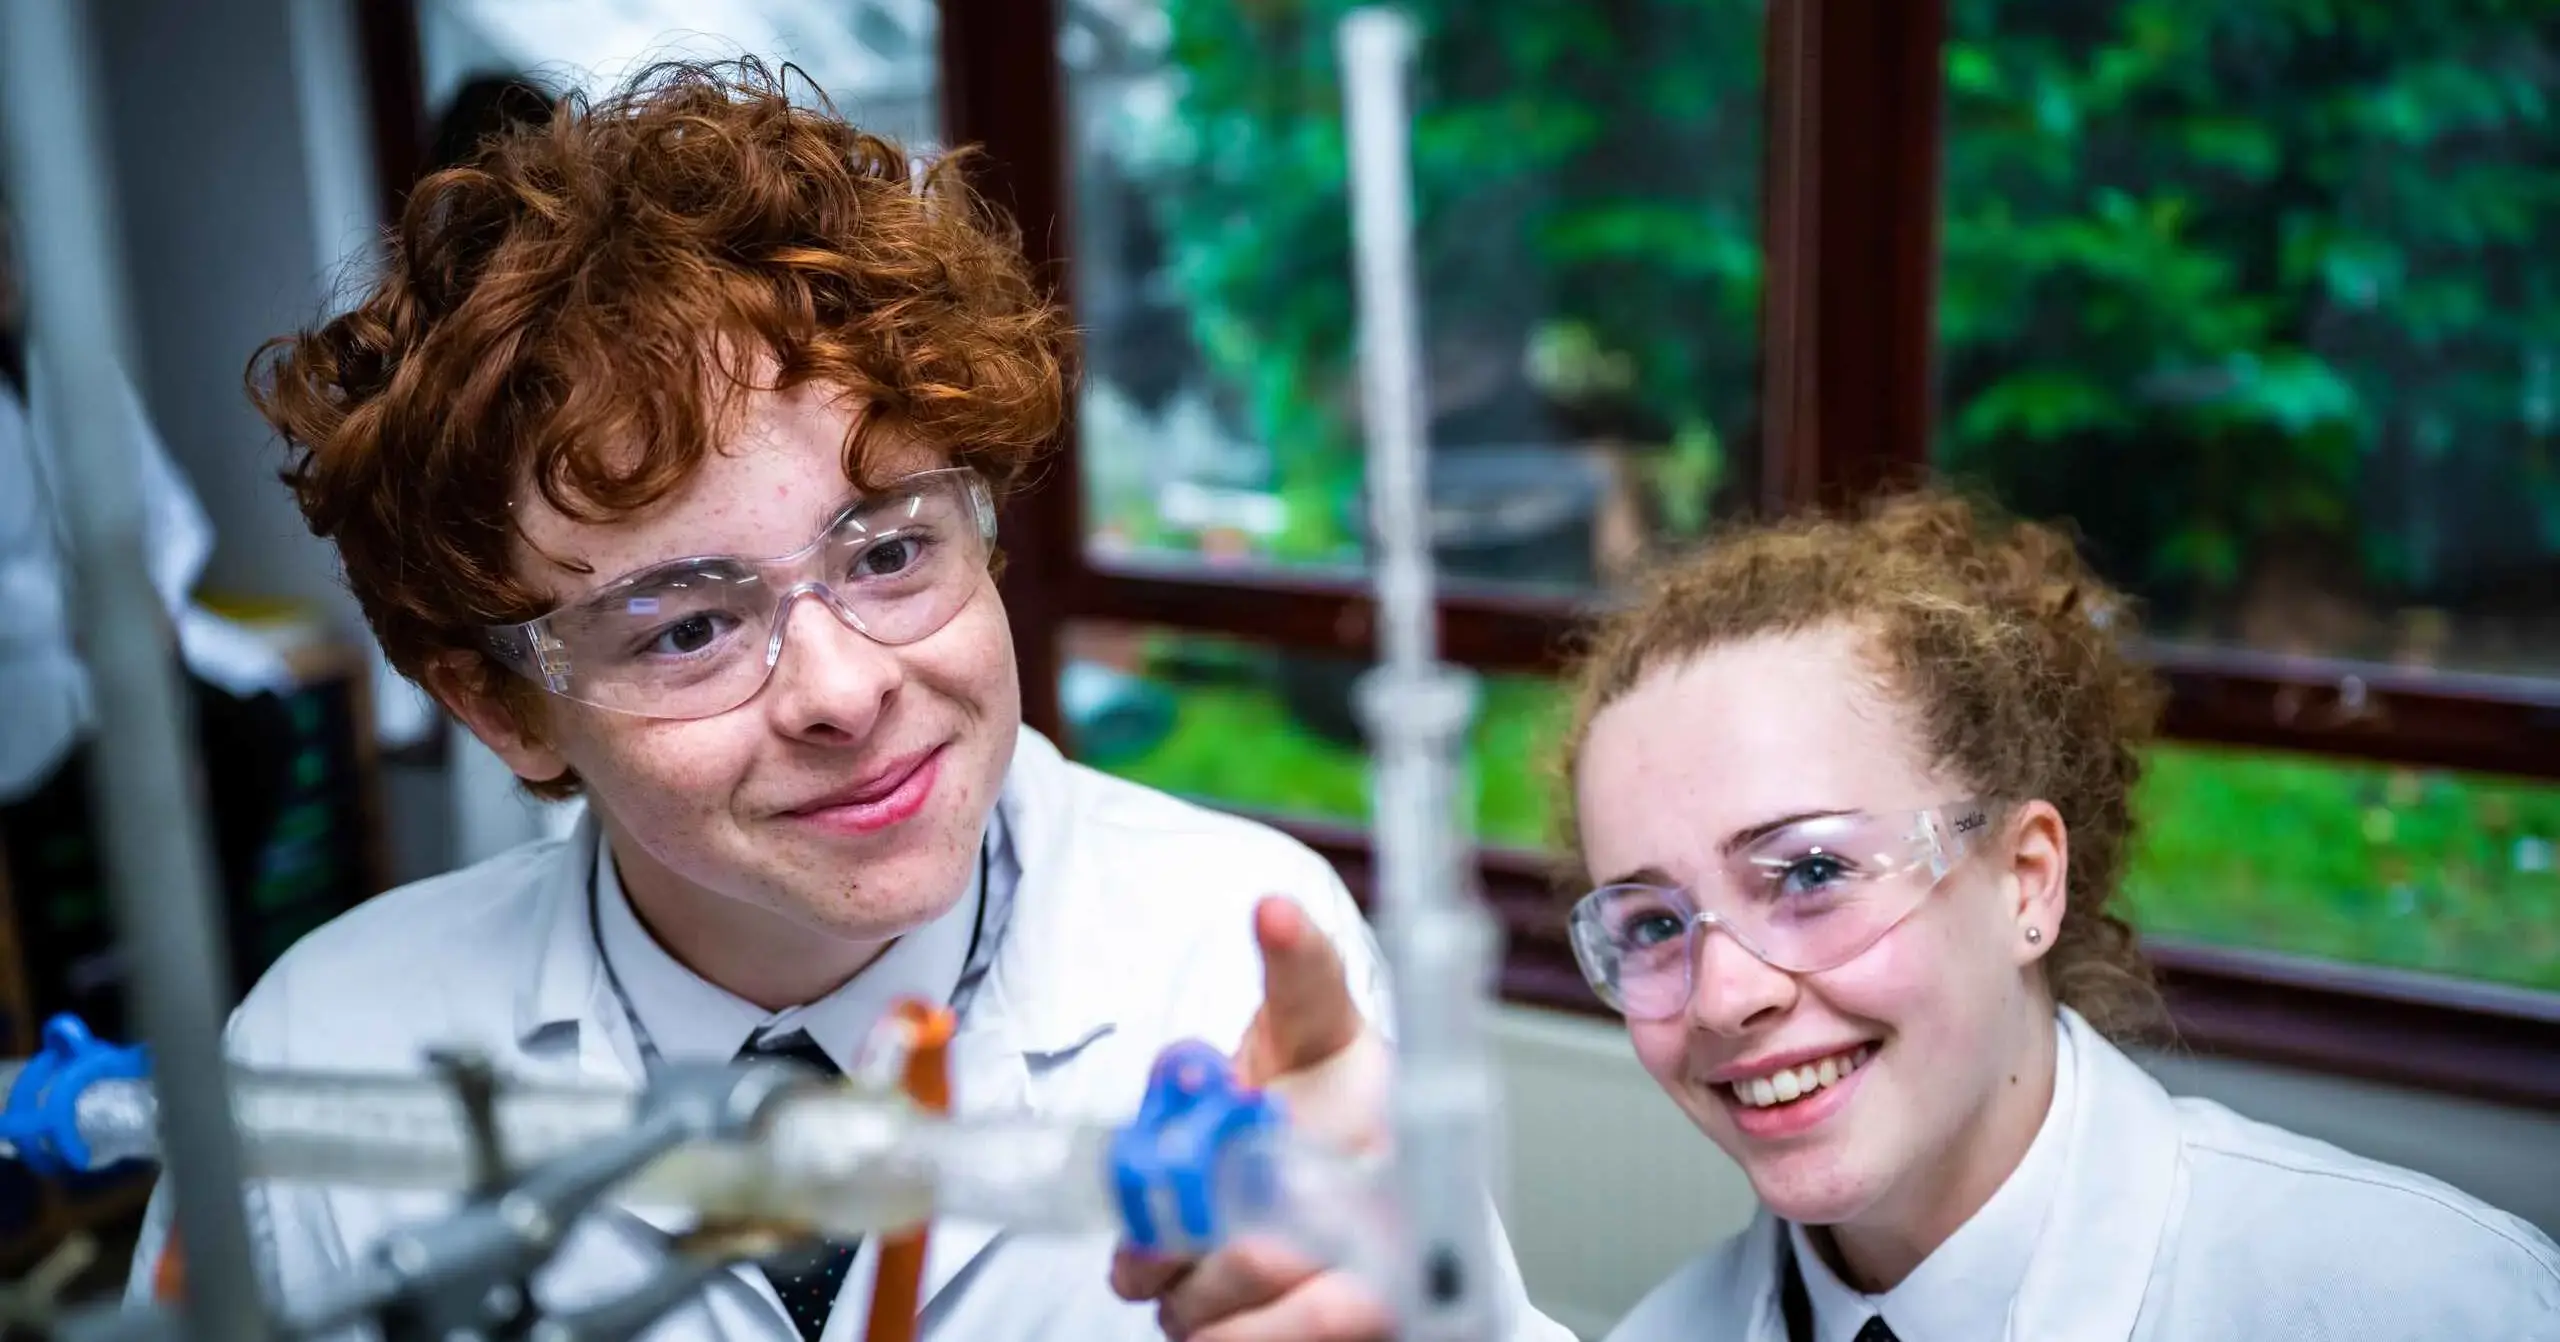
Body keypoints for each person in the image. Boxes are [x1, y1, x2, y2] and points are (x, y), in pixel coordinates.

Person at [122, 59, 1568, 1342]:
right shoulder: (322, 1055)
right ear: (504, 708)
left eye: (887, 553)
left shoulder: (1234, 944)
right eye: (687, 627)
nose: (846, 687)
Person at [1554, 489, 2560, 1340]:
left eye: (1812, 871)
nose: (1723, 997)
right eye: (1652, 927)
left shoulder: (2425, 1305)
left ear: (2024, 880)